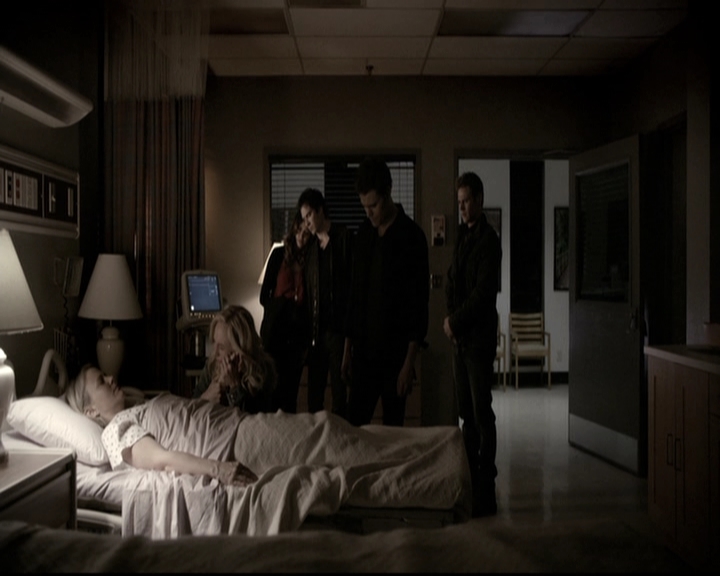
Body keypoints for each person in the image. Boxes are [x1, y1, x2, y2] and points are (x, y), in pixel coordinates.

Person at [343, 157, 429, 427]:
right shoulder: (364, 234)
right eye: (364, 206)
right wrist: (347, 349)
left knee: (393, 432)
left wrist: (409, 363)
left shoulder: (412, 237)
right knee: (354, 428)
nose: (369, 213)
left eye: (373, 205)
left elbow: (419, 305)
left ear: (388, 193)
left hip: (395, 356)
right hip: (363, 354)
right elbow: (355, 295)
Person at [443, 171, 502, 518]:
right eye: (460, 202)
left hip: (477, 341)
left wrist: (455, 320)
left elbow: (483, 294)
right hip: (460, 340)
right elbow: (452, 280)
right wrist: (451, 318)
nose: (462, 208)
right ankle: (468, 479)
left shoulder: (489, 241)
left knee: (482, 414)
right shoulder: (463, 237)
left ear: (479, 200)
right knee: (466, 413)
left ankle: (485, 485)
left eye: (467, 201)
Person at [297, 187, 353, 419]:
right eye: (304, 218)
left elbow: (352, 288)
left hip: (338, 332)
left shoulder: (343, 238)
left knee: (340, 397)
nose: (307, 222)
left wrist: (350, 339)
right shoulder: (310, 248)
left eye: (309, 215)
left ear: (320, 210)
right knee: (314, 400)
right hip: (315, 333)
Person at [259, 211, 312, 413]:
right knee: (272, 392)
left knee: (290, 396)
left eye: (306, 234)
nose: (301, 237)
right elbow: (264, 296)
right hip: (276, 330)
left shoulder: (310, 260)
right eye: (299, 231)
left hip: (297, 335)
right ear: (293, 230)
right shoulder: (279, 254)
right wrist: (280, 307)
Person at [192, 305, 277, 413]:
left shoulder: (264, 372)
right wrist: (206, 397)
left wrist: (234, 387)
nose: (215, 353)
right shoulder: (213, 363)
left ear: (239, 351)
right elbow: (191, 410)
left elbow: (254, 421)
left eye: (221, 348)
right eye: (214, 342)